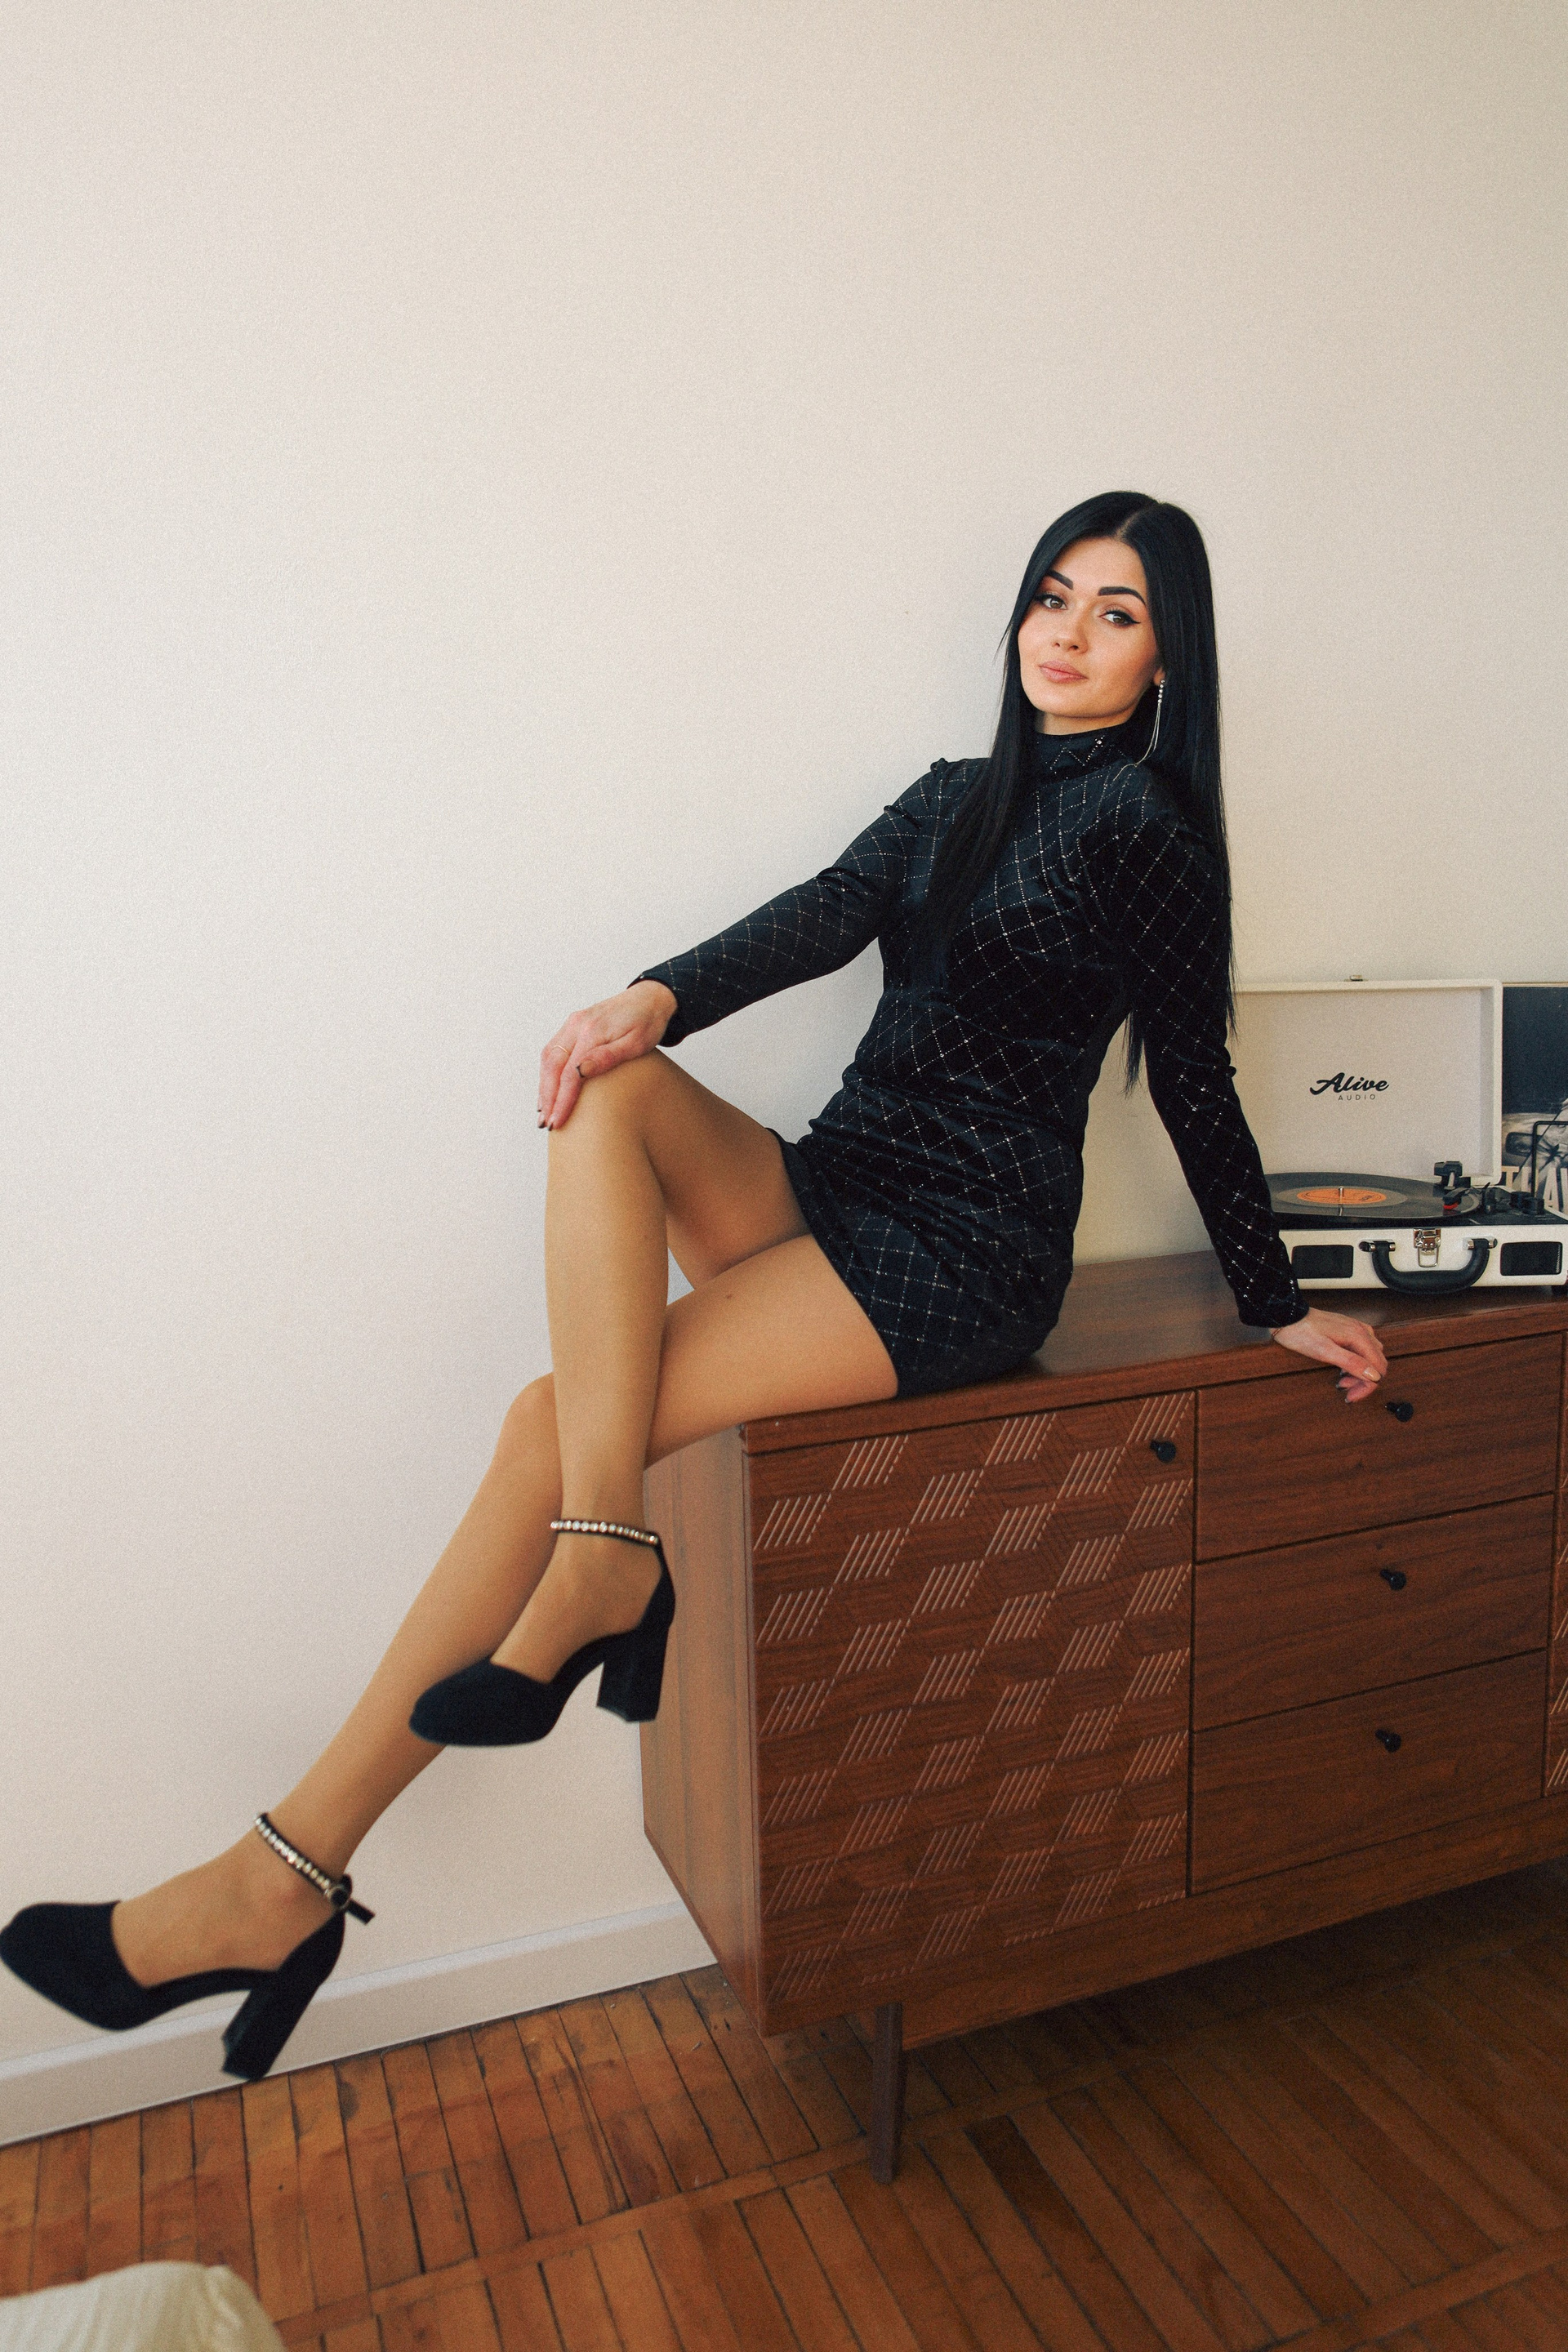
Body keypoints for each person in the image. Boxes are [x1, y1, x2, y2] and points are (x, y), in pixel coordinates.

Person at [0, 490, 1387, 2075]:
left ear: (1166, 659)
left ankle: (289, 1870)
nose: (1066, 633)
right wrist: (650, 994)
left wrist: (1275, 1298)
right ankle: (601, 1557)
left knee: (547, 1425)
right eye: (1052, 595)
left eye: (1116, 612)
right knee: (612, 1086)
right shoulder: (957, 797)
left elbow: (1194, 1074)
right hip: (839, 1184)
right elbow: (820, 917)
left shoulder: (1146, 830)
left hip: (964, 1252)